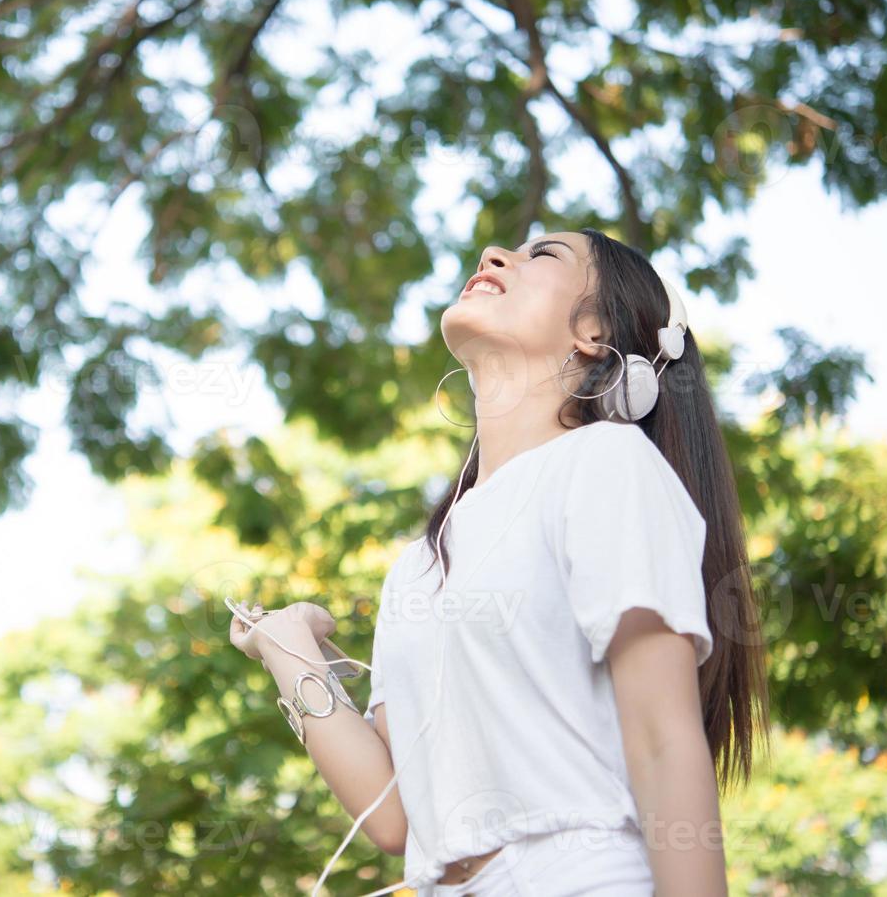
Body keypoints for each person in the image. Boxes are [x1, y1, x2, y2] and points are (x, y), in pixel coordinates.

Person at [228, 228, 771, 896]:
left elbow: (662, 737)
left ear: (596, 334)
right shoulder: (418, 566)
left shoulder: (606, 461)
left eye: (542, 255)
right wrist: (287, 651)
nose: (491, 256)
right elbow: (398, 818)